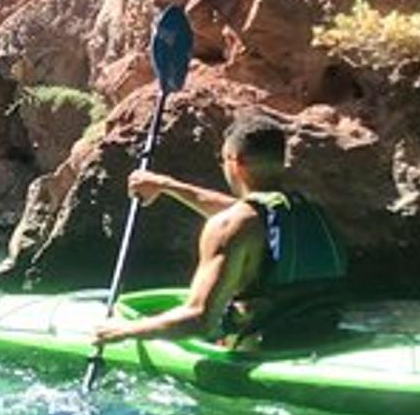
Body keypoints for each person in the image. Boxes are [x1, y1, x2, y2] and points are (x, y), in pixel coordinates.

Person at [91, 111, 348, 351]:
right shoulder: (310, 212)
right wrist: (166, 186)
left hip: (261, 348)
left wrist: (124, 330)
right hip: (323, 336)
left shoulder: (228, 226)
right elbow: (247, 213)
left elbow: (200, 320)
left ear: (235, 162)